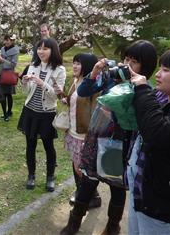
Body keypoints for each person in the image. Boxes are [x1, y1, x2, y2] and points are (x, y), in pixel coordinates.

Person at [60, 40, 158, 235]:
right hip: (98, 139)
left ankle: (113, 226)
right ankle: (74, 222)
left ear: (145, 67)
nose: (126, 64)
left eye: (134, 61)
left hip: (121, 145)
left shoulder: (144, 89)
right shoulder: (110, 78)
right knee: (88, 182)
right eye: (126, 58)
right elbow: (84, 91)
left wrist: (115, 112)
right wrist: (95, 71)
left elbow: (140, 120)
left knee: (117, 188)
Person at [128, 47, 170, 234]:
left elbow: (157, 131)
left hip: (166, 213)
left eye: (166, 70)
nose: (158, 75)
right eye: (160, 68)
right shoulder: (165, 100)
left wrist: (143, 89)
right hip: (145, 199)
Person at [18, 38, 66, 192]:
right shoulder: (33, 66)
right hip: (30, 111)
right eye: (39, 48)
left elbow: (56, 96)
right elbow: (26, 92)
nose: (41, 51)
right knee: (30, 144)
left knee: (48, 146)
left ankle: (50, 177)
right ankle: (31, 175)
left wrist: (42, 83)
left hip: (47, 113)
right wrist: (24, 83)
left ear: (53, 50)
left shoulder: (60, 70)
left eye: (45, 49)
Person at [61, 53, 101, 208]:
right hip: (72, 131)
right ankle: (82, 193)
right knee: (76, 165)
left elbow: (95, 112)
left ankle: (91, 197)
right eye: (74, 62)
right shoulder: (75, 81)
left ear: (88, 66)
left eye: (79, 63)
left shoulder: (92, 86)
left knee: (82, 169)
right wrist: (65, 98)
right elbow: (74, 102)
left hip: (84, 134)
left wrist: (89, 136)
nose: (75, 66)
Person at [0, 34, 20, 121]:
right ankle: (5, 113)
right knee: (1, 95)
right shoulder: (2, 49)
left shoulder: (15, 51)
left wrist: (2, 60)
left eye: (8, 40)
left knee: (8, 95)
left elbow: (13, 64)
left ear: (12, 41)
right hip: (1, 74)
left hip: (8, 74)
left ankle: (9, 111)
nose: (6, 42)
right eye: (5, 40)